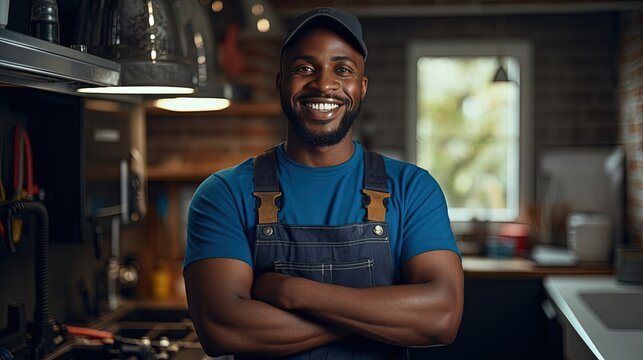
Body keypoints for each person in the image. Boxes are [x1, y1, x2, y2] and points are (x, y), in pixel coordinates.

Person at [183, 7, 463, 360]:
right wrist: (380, 318)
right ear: (280, 82)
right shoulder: (222, 194)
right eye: (304, 69)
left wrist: (292, 292)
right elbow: (222, 328)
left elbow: (441, 318)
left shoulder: (412, 189)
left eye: (342, 70)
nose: (324, 84)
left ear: (361, 88)